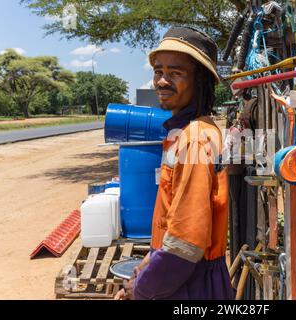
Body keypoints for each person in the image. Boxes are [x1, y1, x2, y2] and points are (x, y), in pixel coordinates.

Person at [115, 26, 233, 300]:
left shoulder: (194, 140)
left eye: (176, 73)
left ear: (200, 80)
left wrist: (140, 290)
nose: (162, 81)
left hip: (190, 286)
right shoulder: (192, 130)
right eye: (159, 71)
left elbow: (185, 243)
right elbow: (171, 223)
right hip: (183, 277)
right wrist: (142, 270)